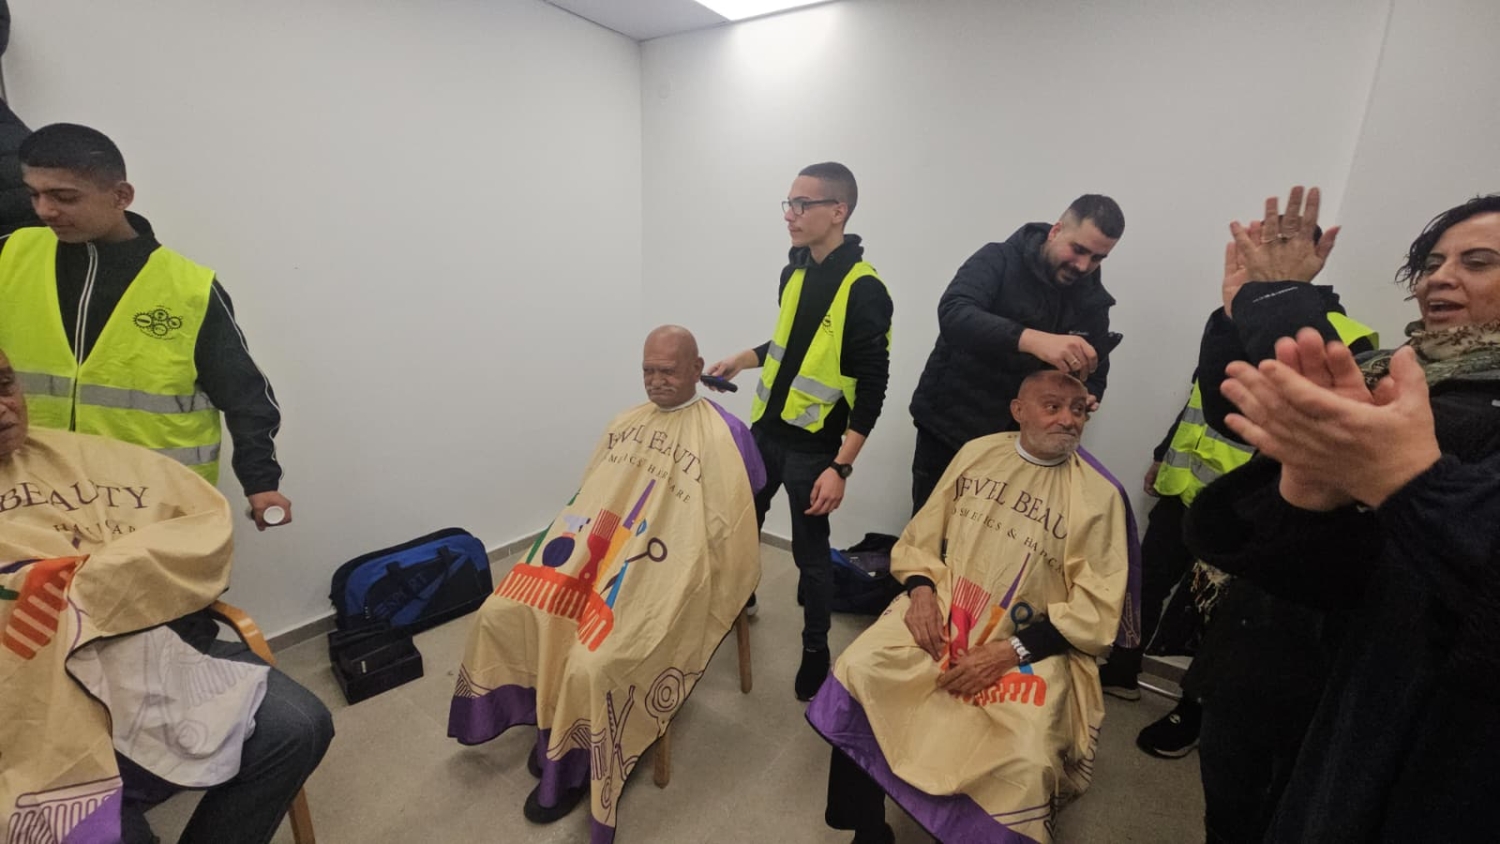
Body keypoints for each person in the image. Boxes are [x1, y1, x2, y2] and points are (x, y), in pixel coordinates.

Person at [1186, 193, 1500, 841]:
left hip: (1355, 708)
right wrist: (1240, 309)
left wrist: (1278, 298)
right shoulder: (1401, 366)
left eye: (1477, 262)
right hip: (1267, 659)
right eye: (1432, 263)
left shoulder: (1463, 398)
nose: (1440, 278)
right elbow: (1244, 409)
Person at [0, 346, 333, 844]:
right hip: (26, 703)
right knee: (104, 830)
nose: (3, 408)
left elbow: (197, 530)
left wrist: (90, 580)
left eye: (5, 384)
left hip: (145, 653)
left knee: (298, 725)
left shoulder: (81, 459)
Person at [449, 326, 764, 842]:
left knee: (594, 660)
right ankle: (548, 721)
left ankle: (573, 766)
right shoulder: (625, 422)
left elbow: (732, 518)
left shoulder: (726, 436)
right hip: (597, 549)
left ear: (697, 367)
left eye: (668, 371)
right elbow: (592, 496)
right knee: (506, 610)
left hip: (667, 568)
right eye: (648, 371)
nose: (656, 381)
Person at [807, 370, 1137, 844]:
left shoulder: (1100, 497)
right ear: (1018, 411)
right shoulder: (977, 453)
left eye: (1078, 410)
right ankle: (868, 828)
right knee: (861, 668)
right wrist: (921, 592)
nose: (1068, 419)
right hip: (946, 607)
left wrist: (1007, 652)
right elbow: (922, 536)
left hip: (1033, 642)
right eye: (1052, 407)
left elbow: (1096, 608)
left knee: (1027, 755)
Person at [0, 123, 289, 531]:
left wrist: (261, 483)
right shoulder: (11, 256)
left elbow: (246, 395)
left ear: (121, 196)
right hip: (33, 498)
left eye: (65, 197)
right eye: (35, 194)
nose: (45, 210)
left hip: (152, 506)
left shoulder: (188, 288)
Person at [705, 162, 893, 700]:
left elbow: (873, 389)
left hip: (814, 449)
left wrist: (841, 468)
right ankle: (742, 597)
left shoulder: (865, 290)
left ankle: (816, 650)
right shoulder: (795, 271)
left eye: (802, 204)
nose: (790, 214)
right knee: (745, 522)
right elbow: (789, 345)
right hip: (766, 431)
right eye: (788, 203)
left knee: (810, 556)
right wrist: (742, 359)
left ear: (838, 211)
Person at [907, 195, 1124, 514]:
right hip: (950, 430)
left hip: (1024, 449)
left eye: (1097, 258)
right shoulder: (998, 259)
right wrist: (1032, 340)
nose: (1083, 266)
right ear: (1056, 231)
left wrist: (1086, 397)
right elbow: (955, 313)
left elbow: (1096, 373)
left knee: (994, 537)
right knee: (930, 531)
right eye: (1078, 249)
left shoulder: (1092, 301)